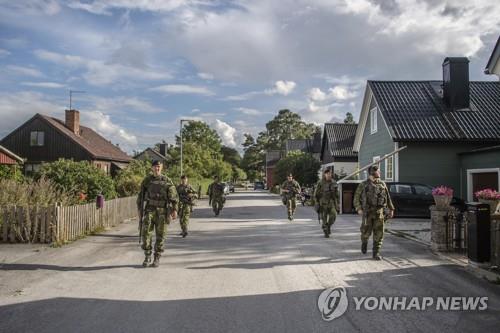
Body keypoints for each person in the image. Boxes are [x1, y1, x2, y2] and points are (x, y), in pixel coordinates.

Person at [137, 160, 178, 267]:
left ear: (162, 167)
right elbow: (140, 197)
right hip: (150, 210)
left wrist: (174, 210)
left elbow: (174, 197)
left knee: (161, 235)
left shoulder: (167, 180)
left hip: (163, 211)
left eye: (159, 167)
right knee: (146, 234)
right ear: (152, 168)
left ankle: (157, 258)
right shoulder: (147, 181)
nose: (157, 168)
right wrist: (139, 211)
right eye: (155, 167)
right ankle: (147, 256)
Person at [353, 165, 394, 260]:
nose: (379, 173)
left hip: (379, 213)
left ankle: (376, 253)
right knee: (365, 232)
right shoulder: (363, 185)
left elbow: (388, 198)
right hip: (367, 214)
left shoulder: (382, 184)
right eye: (378, 172)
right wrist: (359, 208)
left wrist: (391, 209)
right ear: (372, 173)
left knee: (379, 234)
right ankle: (364, 242)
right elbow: (356, 198)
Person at [314, 169, 339, 238]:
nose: (328, 175)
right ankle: (326, 231)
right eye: (327, 174)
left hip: (331, 203)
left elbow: (337, 195)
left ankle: (328, 226)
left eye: (330, 174)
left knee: (333, 216)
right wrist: (317, 203)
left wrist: (337, 204)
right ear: (325, 174)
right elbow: (316, 194)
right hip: (323, 204)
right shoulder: (320, 183)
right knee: (324, 219)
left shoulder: (334, 182)